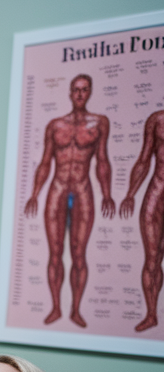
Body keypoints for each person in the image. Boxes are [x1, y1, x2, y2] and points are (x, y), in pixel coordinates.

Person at [23, 74, 116, 328]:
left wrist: (107, 193)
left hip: (83, 188)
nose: (79, 94)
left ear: (90, 92)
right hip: (57, 188)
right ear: (69, 92)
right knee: (55, 253)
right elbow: (45, 161)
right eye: (76, 90)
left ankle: (75, 309)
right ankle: (55, 307)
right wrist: (34, 193)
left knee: (79, 253)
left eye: (84, 90)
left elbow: (103, 161)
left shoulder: (99, 123)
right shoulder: (55, 125)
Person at [119, 108, 164, 332]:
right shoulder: (157, 120)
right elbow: (144, 160)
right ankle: (151, 314)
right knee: (152, 258)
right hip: (157, 192)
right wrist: (130, 194)